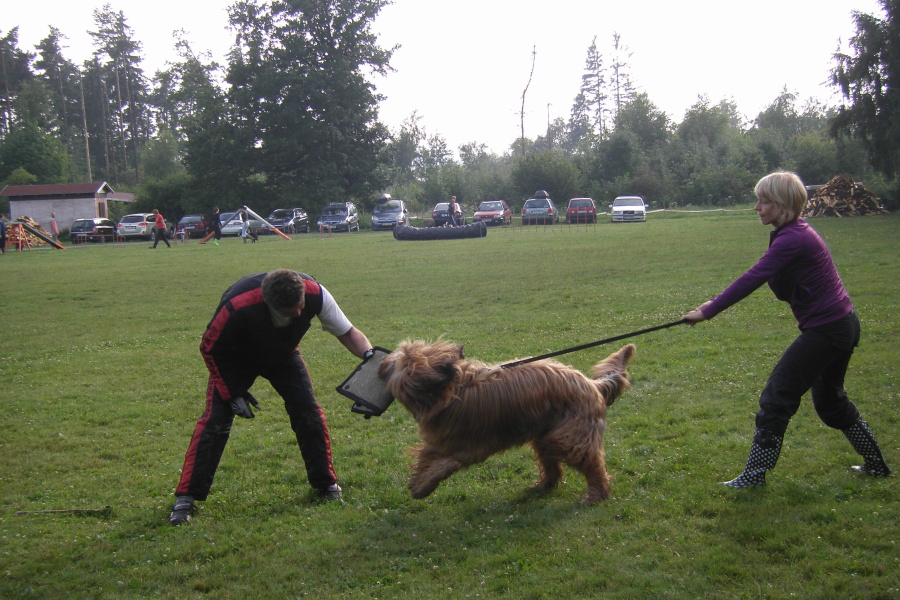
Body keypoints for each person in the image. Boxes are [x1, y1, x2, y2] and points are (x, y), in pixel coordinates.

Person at [682, 171, 890, 488]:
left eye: (764, 201)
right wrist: (711, 304)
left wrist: (708, 311)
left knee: (777, 397)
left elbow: (754, 276)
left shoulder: (793, 238)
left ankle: (754, 476)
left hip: (828, 329)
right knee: (831, 405)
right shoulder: (792, 233)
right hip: (840, 325)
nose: (757, 207)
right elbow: (768, 277)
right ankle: (877, 465)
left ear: (781, 204)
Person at [169, 269, 375, 525]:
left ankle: (326, 485)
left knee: (308, 413)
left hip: (282, 355)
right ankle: (186, 498)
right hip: (235, 359)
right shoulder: (237, 305)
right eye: (289, 313)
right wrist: (232, 392)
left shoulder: (316, 294)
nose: (299, 315)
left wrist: (370, 357)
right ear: (268, 303)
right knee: (215, 422)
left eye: (300, 307)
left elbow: (348, 332)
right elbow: (209, 348)